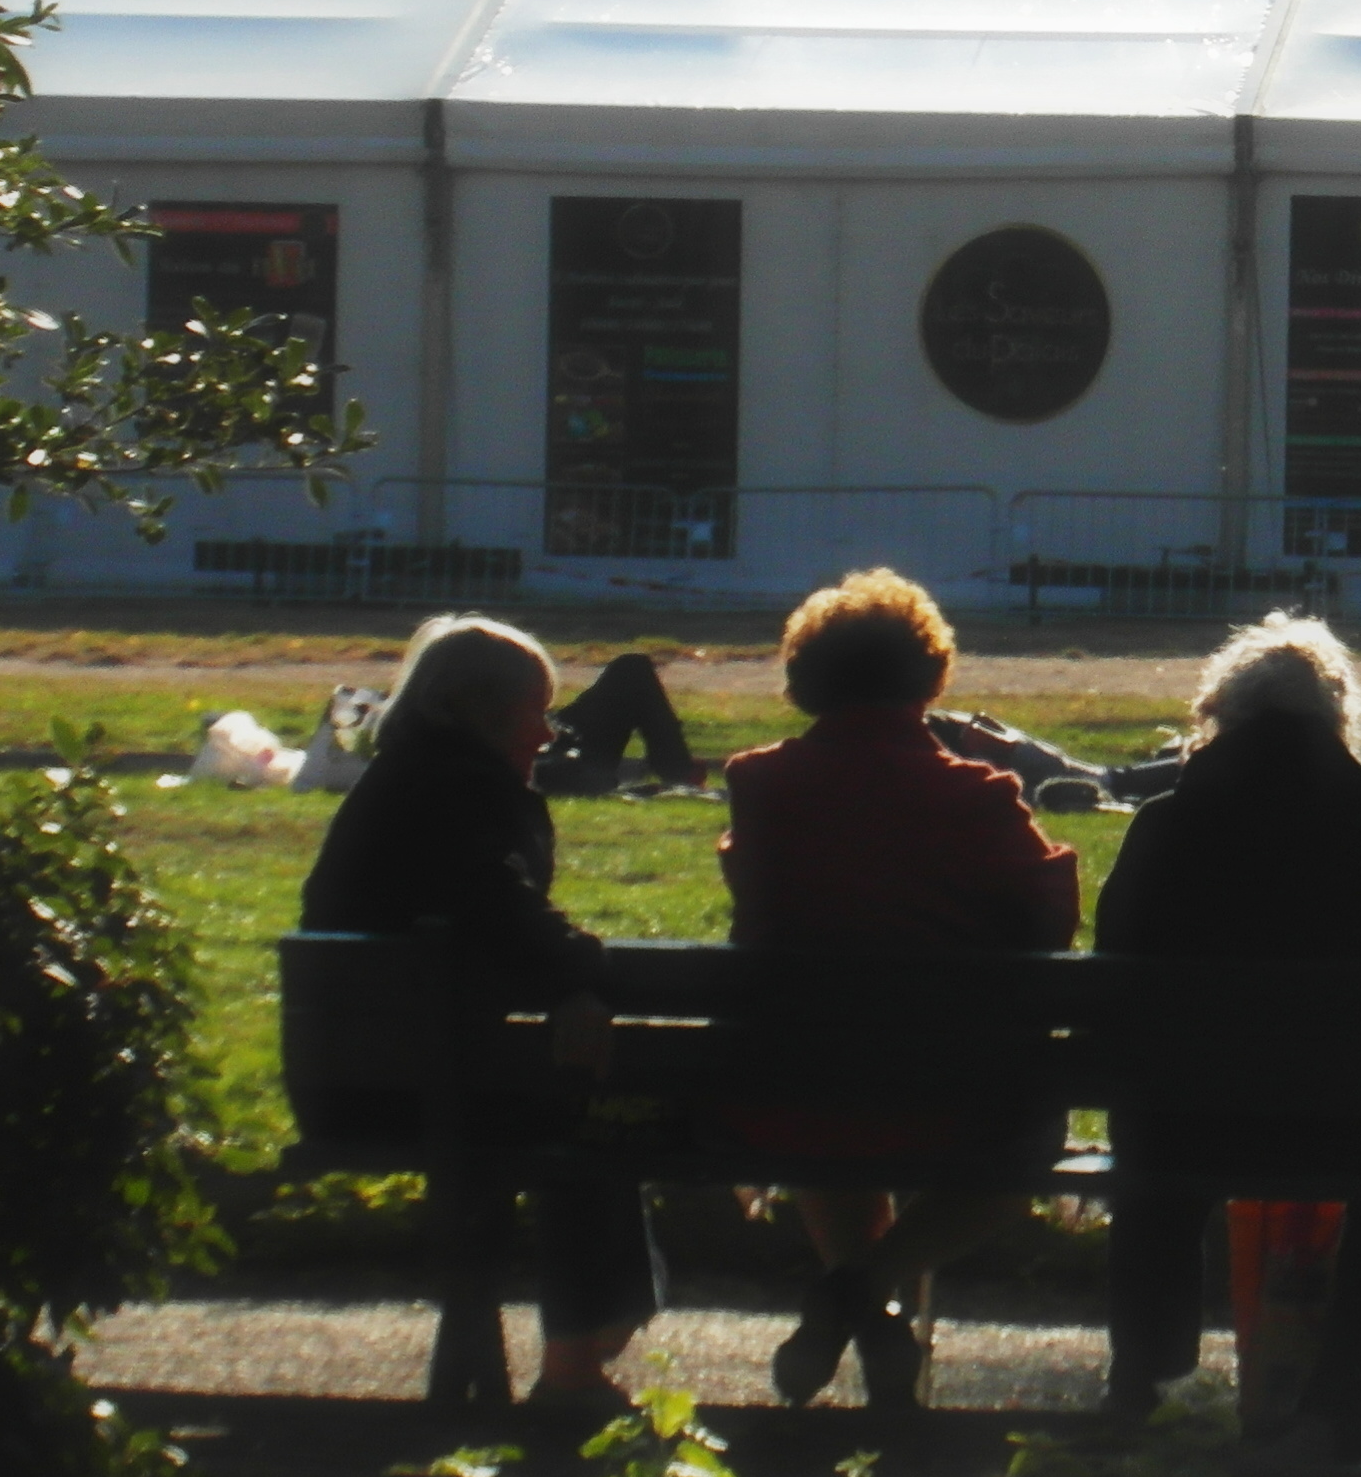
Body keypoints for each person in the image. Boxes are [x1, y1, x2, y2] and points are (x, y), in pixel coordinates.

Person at [718, 568, 1080, 1411]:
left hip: (787, 1084)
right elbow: (1049, 920)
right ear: (927, 676)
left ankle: (859, 1298)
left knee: (833, 1101)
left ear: (808, 676)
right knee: (1022, 1145)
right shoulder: (976, 794)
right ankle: (866, 1288)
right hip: (954, 1098)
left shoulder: (761, 785)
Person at [1091, 614, 1361, 1452]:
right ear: (1338, 723)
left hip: (1183, 1123)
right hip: (1349, 1131)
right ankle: (1341, 1390)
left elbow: (1112, 979)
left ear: (1222, 715)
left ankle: (1146, 1380)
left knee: (1152, 1157)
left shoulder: (1164, 832)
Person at [299, 613, 657, 1419]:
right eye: (537, 711)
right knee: (591, 1118)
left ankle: (582, 1348)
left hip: (359, 1078)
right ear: (475, 709)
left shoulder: (403, 783)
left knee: (571, 1102)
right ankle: (578, 1363)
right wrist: (584, 975)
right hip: (432, 1090)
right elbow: (496, 904)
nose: (548, 733)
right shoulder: (462, 793)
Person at [537, 649, 702, 794]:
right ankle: (679, 772)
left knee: (631, 667)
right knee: (632, 669)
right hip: (556, 751)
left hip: (553, 733)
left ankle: (678, 768)